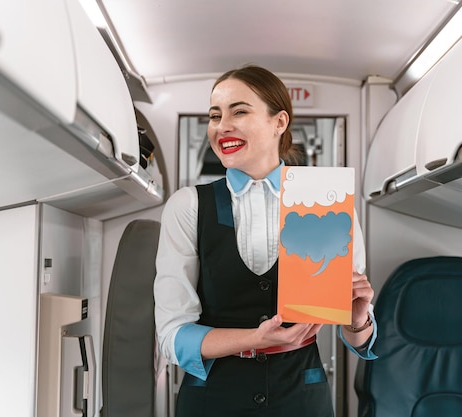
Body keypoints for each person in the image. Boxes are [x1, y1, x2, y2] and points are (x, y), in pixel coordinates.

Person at [154, 64, 377, 417]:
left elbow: (358, 342)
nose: (222, 125)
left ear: (279, 122)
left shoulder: (325, 200)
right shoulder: (189, 205)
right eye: (215, 115)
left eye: (239, 111)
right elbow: (171, 336)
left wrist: (358, 317)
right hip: (212, 399)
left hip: (301, 398)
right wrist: (253, 339)